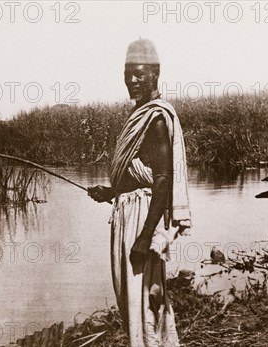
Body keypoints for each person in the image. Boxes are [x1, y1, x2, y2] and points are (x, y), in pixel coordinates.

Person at [88, 38, 192, 347]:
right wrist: (111, 193)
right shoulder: (139, 115)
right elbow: (140, 176)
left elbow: (161, 182)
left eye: (140, 73)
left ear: (156, 73)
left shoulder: (156, 119)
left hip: (142, 220)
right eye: (127, 73)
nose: (132, 80)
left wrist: (146, 236)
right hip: (129, 213)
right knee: (134, 297)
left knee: (144, 299)